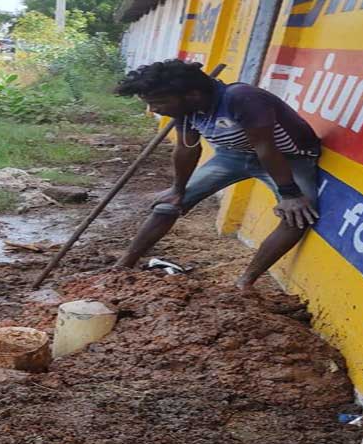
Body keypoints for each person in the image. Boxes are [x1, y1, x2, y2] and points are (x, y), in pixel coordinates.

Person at [113, 59, 321, 289]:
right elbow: (186, 149)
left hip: (287, 158)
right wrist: (178, 190)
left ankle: (245, 282)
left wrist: (290, 195)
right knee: (167, 206)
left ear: (192, 94)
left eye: (159, 102)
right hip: (233, 155)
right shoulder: (187, 109)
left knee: (298, 217)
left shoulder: (242, 98)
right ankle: (123, 266)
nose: (154, 110)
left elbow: (266, 148)